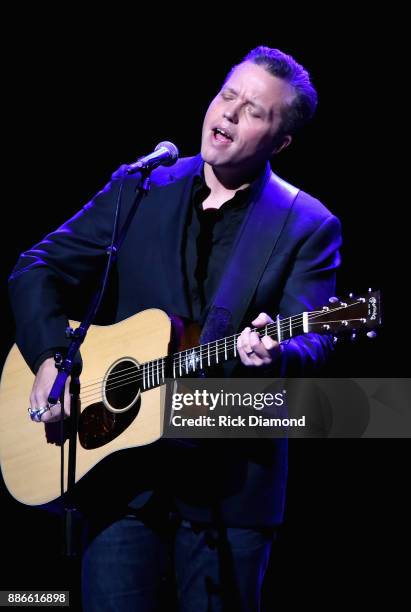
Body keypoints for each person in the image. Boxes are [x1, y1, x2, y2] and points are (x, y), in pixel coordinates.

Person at [9, 46, 342, 611]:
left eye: (254, 111)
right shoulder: (142, 188)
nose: (230, 114)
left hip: (229, 486)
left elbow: (316, 337)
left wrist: (279, 354)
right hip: (119, 477)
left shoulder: (306, 223)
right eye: (228, 95)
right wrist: (48, 357)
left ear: (281, 141)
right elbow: (36, 267)